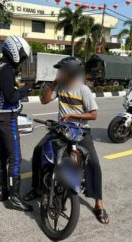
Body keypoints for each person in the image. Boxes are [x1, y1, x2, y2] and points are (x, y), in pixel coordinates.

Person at [23, 57, 110, 224]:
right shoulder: (60, 86)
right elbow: (44, 100)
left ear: (71, 73)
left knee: (94, 164)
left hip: (80, 131)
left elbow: (93, 114)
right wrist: (55, 83)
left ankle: (99, 203)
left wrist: (73, 115)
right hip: (61, 130)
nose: (59, 73)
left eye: (62, 71)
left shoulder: (83, 90)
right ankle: (37, 188)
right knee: (38, 150)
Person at [0, 35, 33, 212]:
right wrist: (25, 90)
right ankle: (15, 198)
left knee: (1, 155)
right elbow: (11, 97)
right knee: (15, 157)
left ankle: (2, 191)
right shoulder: (6, 69)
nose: (21, 60)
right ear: (14, 50)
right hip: (7, 118)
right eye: (21, 56)